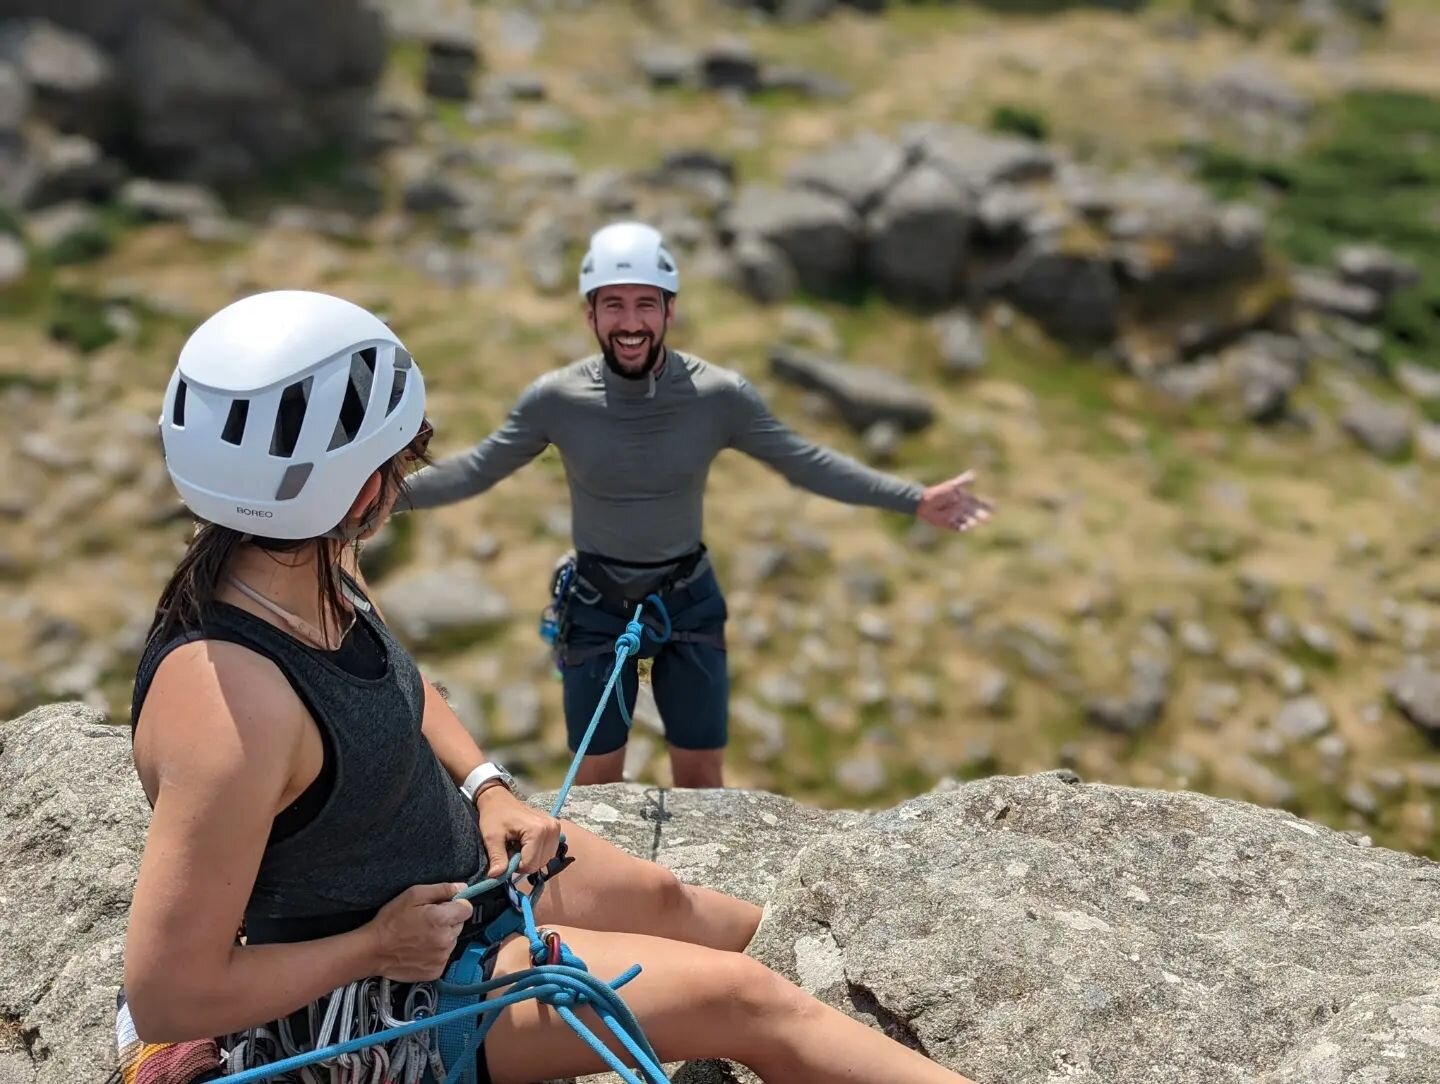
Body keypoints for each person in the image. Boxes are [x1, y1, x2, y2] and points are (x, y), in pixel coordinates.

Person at [121, 288, 980, 1084]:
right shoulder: (227, 708)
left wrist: (487, 788)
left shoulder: (311, 565)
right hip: (389, 992)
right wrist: (375, 947)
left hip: (460, 879)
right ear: (362, 491)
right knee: (744, 1001)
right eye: (399, 464)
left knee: (672, 900)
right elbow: (170, 996)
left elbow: (401, 692)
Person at [403, 221, 993, 789]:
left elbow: (805, 461)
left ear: (669, 312)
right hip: (596, 605)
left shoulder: (719, 396)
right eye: (614, 305)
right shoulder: (555, 400)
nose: (630, 322)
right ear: (590, 314)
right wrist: (375, 501)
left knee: (702, 779)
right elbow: (476, 470)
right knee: (596, 780)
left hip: (688, 604)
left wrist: (914, 499)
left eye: (645, 304)